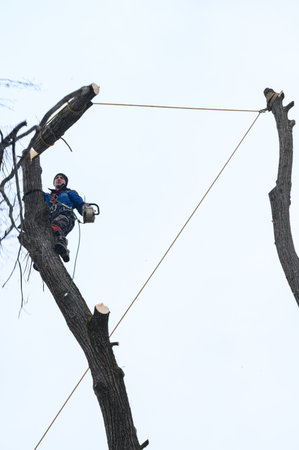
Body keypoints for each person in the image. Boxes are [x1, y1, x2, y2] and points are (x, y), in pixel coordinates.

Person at [43, 173, 85, 262]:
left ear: (65, 182)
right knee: (48, 237)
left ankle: (63, 243)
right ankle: (44, 257)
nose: (59, 179)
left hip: (66, 216)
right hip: (49, 220)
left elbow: (79, 202)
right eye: (57, 178)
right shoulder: (47, 196)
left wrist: (85, 210)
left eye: (62, 178)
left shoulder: (69, 193)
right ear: (54, 182)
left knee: (56, 224)